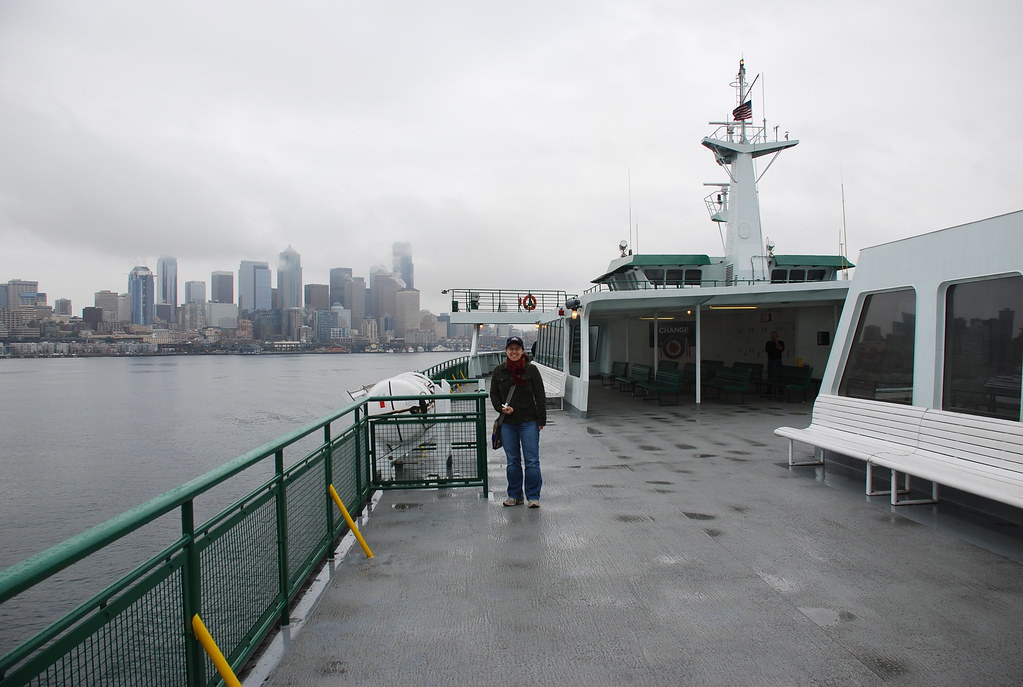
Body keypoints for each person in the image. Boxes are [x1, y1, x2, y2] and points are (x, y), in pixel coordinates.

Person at [490, 335, 546, 508]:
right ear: (506, 351)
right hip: (508, 423)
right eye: (511, 349)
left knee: (532, 460)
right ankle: (514, 495)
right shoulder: (499, 371)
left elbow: (539, 395)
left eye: (517, 349)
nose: (514, 352)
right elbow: (494, 395)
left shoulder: (531, 370)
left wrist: (541, 419)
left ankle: (533, 496)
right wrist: (501, 408)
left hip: (529, 421)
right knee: (513, 461)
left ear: (522, 351)